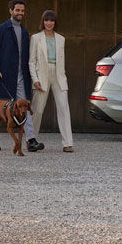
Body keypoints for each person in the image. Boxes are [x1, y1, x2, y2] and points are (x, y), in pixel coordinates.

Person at [0, 0, 43, 152]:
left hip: (21, 77)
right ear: (11, 11)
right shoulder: (2, 29)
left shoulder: (24, 32)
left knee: (25, 108)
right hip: (4, 76)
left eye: (22, 11)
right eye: (17, 10)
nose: (20, 13)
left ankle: (31, 140)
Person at [29, 10, 74, 153]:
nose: (49, 23)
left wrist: (63, 77)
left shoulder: (61, 39)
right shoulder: (36, 38)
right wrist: (35, 79)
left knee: (64, 108)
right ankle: (31, 140)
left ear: (55, 22)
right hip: (41, 75)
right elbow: (31, 61)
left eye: (52, 20)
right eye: (46, 20)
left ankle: (68, 143)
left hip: (59, 75)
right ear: (42, 22)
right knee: (38, 109)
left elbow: (62, 61)